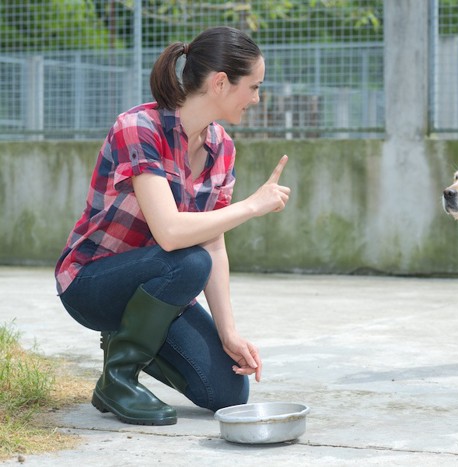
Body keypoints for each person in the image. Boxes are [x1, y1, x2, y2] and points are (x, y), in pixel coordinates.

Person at [54, 26, 290, 426]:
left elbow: (213, 241)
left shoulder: (222, 149)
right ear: (220, 82)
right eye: (253, 86)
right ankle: (119, 379)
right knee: (188, 261)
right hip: (92, 283)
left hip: (159, 283)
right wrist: (251, 207)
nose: (256, 98)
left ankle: (124, 343)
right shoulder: (139, 129)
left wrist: (229, 332)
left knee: (227, 393)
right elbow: (171, 233)